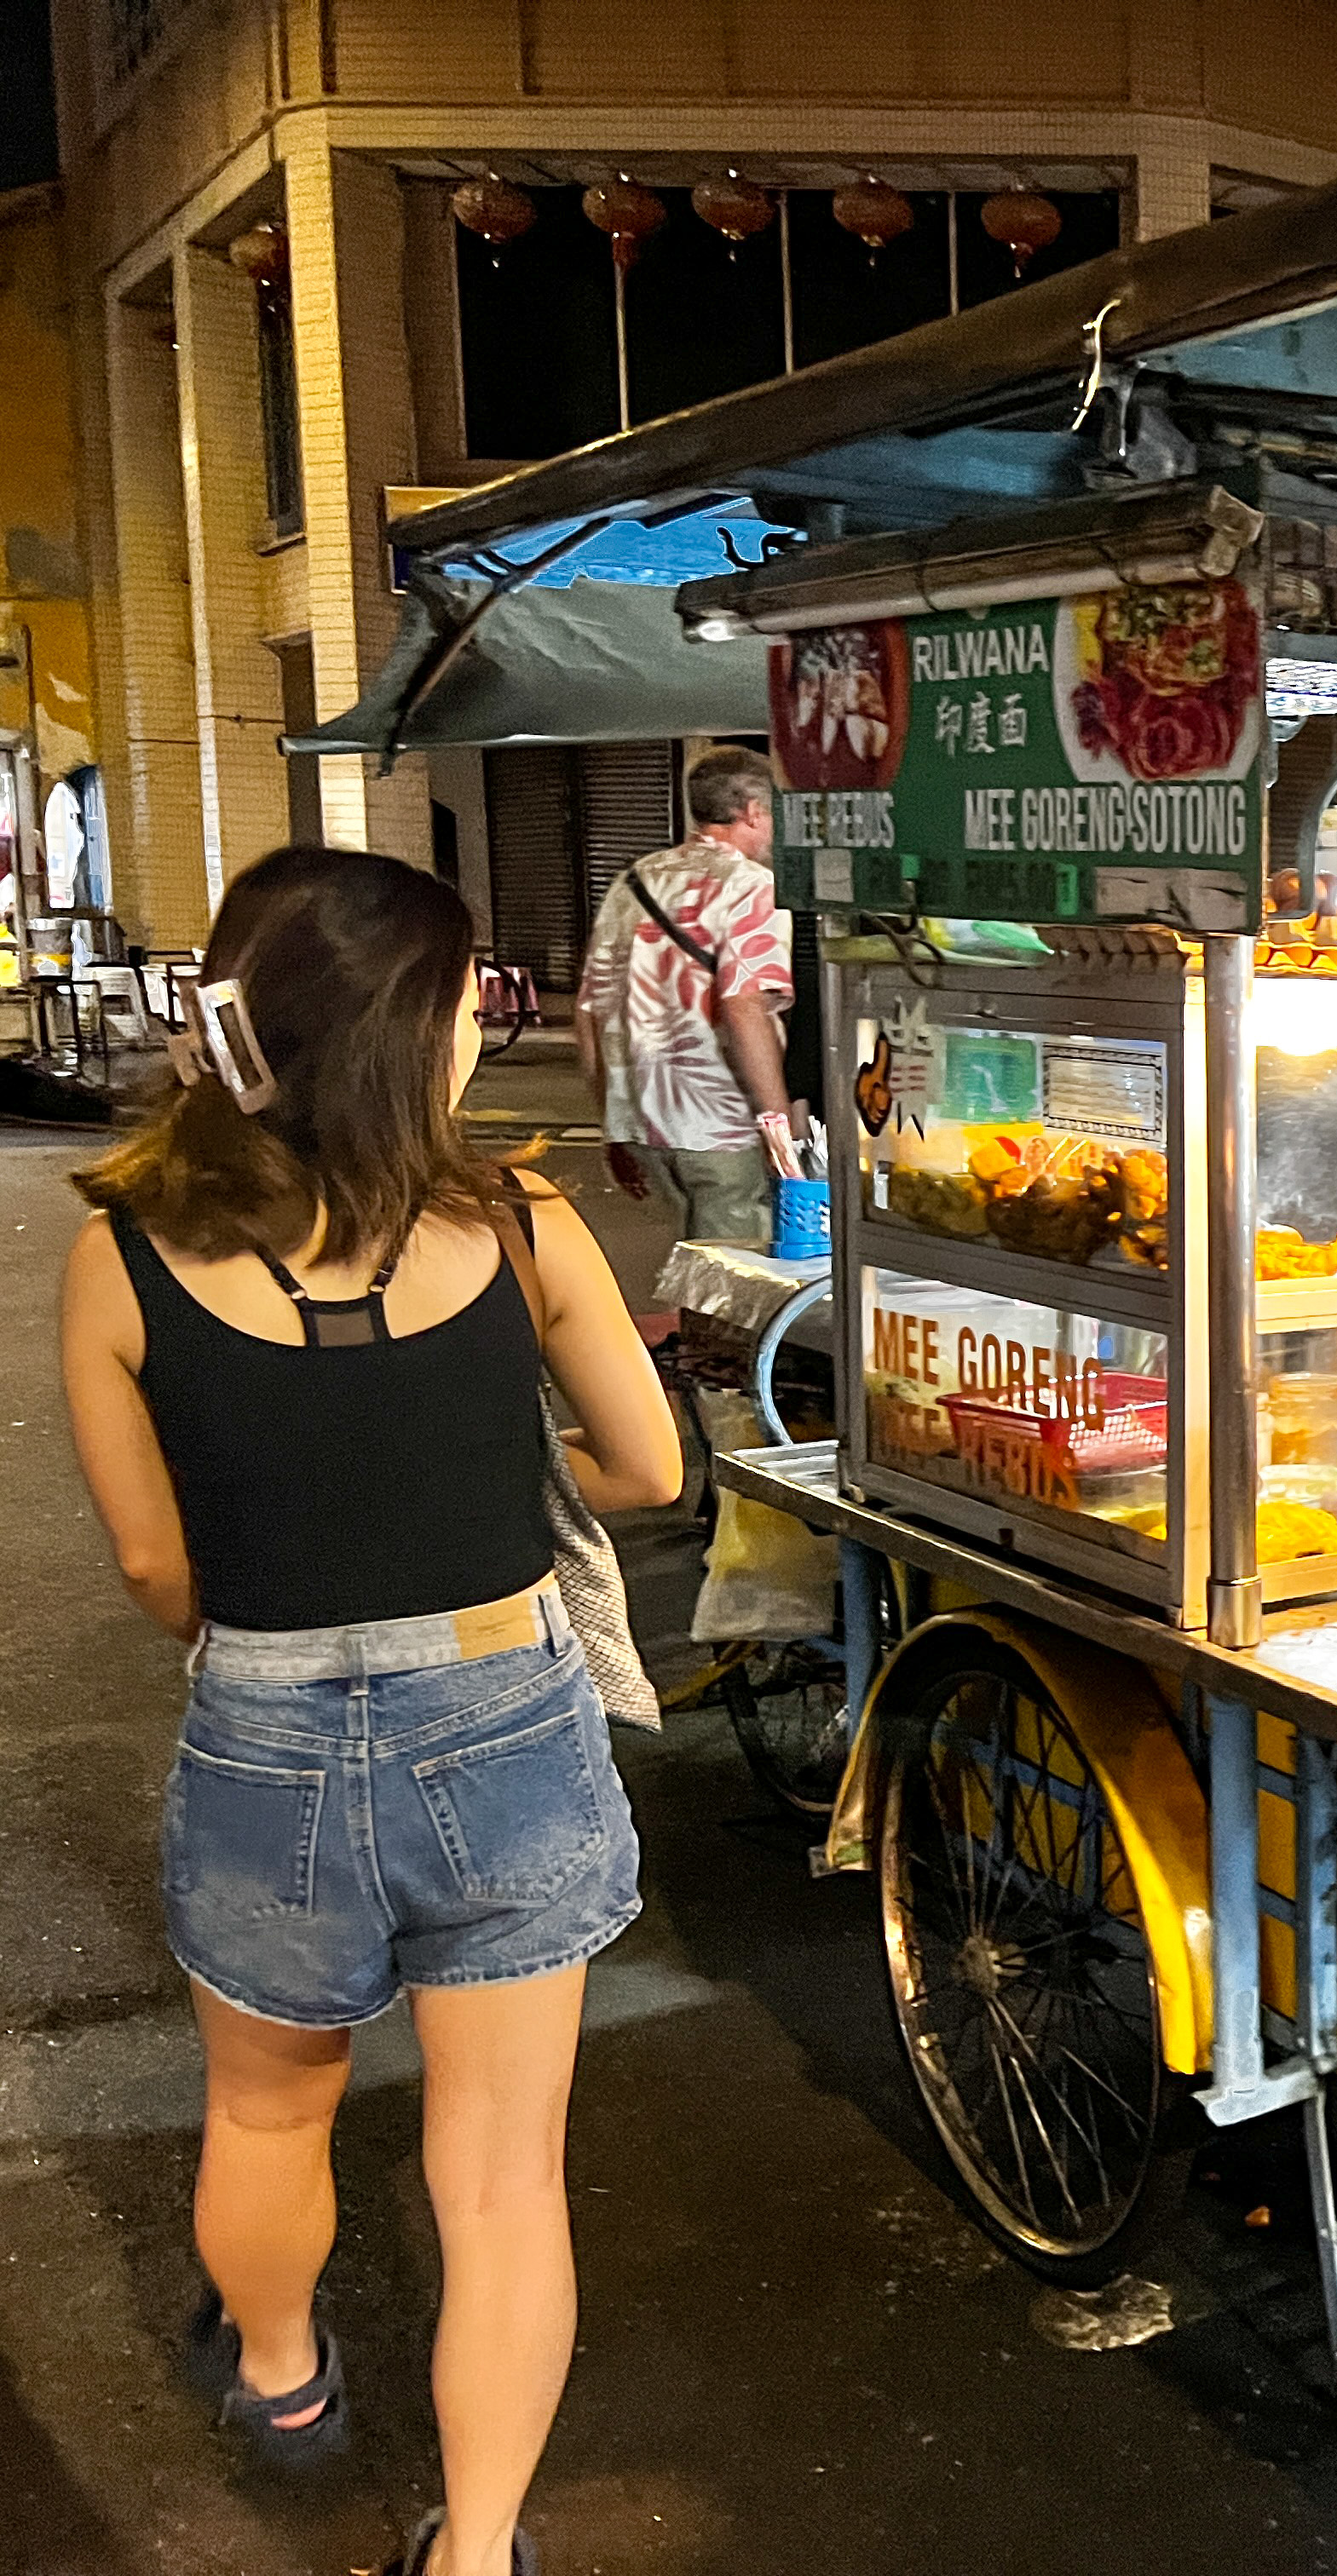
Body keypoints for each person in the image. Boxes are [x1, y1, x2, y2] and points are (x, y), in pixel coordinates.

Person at [62, 848, 684, 2576]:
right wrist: (473, 1464)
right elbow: (647, 1466)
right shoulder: (521, 1223)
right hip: (503, 1716)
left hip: (263, 1723)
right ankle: (476, 2552)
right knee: (499, 2187)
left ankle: (278, 2370)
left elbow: (151, 1566)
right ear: (414, 1037)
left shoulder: (125, 1254)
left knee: (268, 2106)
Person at [573, 744, 795, 1254]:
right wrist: (779, 1128)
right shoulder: (751, 885)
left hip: (646, 1125)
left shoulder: (633, 881)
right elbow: (743, 1007)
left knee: (696, 1267)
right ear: (753, 811)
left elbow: (587, 1016)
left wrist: (614, 1125)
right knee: (736, 1281)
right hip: (720, 1124)